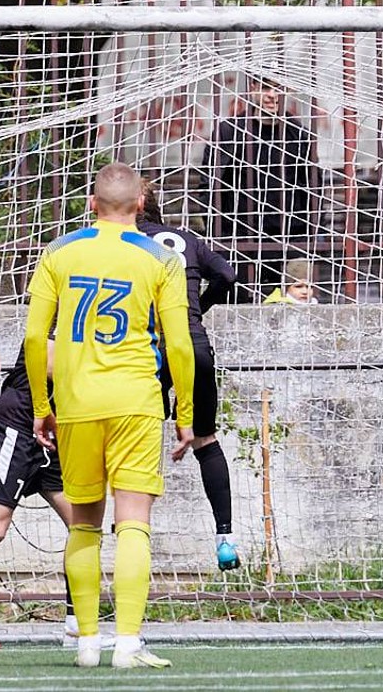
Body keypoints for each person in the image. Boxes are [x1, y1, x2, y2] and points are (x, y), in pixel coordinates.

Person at [24, 162, 197, 669]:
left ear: (92, 205)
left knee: (83, 524)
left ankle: (86, 644)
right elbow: (180, 344)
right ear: (141, 207)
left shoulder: (58, 252)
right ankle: (127, 643)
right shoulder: (162, 258)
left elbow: (35, 338)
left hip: (76, 404)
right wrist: (184, 412)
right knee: (134, 523)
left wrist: (41, 406)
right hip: (136, 402)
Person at [137, 183, 241, 570]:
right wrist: (196, 309)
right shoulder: (187, 239)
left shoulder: (127, 240)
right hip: (194, 345)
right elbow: (229, 276)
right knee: (205, 439)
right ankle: (225, 539)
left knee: (136, 434)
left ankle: (131, 531)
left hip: (144, 347)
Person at [0, 337, 74, 649]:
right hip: (17, 425)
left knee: (83, 526)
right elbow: (49, 364)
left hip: (55, 435)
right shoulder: (58, 306)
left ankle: (78, 628)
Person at [206, 75, 320, 243]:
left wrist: (309, 237)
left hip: (291, 238)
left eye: (279, 88)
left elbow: (314, 187)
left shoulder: (299, 135)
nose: (272, 95)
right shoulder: (229, 132)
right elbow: (209, 184)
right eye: (266, 87)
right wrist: (220, 234)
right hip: (240, 238)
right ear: (253, 88)